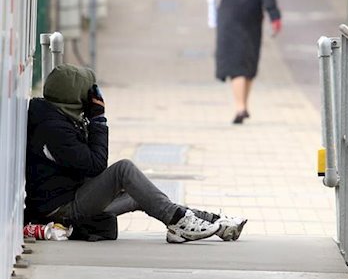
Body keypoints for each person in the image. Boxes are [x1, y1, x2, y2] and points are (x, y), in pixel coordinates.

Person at [25, 64, 247, 243]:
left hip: (71, 198)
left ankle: (211, 222)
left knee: (140, 193)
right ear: (73, 97)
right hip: (61, 211)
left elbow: (87, 166)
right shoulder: (53, 128)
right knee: (123, 169)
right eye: (87, 92)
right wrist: (98, 119)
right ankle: (180, 221)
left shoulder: (56, 118)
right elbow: (96, 165)